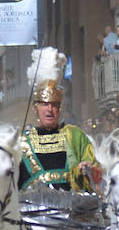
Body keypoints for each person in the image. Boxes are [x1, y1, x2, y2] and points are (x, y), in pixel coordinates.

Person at [19, 48, 101, 192]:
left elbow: (96, 175)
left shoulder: (76, 136)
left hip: (73, 212)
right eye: (44, 104)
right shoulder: (21, 142)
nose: (49, 109)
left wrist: (87, 169)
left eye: (54, 105)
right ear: (35, 108)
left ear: (60, 108)